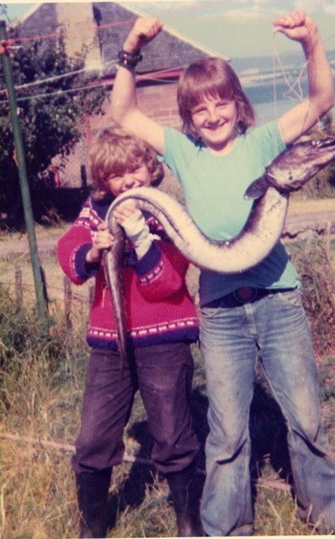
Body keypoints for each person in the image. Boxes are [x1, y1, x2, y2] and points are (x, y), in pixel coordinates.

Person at [110, 11, 335, 536]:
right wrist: (132, 49)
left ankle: (332, 518)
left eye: (222, 101)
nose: (213, 114)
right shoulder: (182, 152)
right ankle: (225, 528)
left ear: (238, 104)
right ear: (188, 117)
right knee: (226, 434)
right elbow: (123, 113)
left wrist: (311, 41)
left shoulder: (266, 144)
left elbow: (321, 102)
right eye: (200, 107)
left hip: (277, 299)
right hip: (220, 310)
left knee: (307, 420)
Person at [57, 127, 203, 538]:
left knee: (173, 437)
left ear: (151, 168)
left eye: (136, 168)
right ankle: (92, 528)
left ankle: (189, 524)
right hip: (110, 345)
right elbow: (69, 253)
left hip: (165, 340)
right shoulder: (96, 210)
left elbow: (168, 283)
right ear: (105, 182)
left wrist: (140, 236)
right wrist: (92, 249)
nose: (129, 181)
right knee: (92, 441)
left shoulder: (166, 210)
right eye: (118, 175)